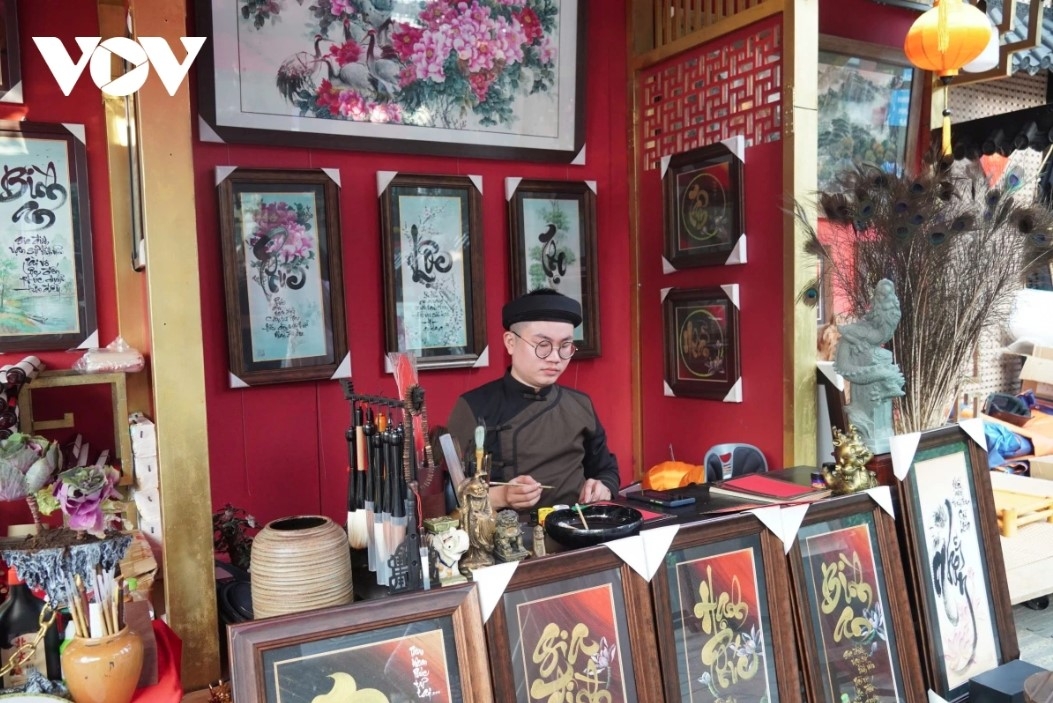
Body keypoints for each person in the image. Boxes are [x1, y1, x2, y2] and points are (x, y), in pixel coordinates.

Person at [447, 289, 620, 512]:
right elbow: (451, 499)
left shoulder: (580, 405)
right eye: (543, 345)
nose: (555, 358)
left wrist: (603, 487)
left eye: (565, 346)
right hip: (507, 532)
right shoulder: (473, 406)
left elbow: (606, 470)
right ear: (511, 342)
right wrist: (502, 497)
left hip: (577, 525)